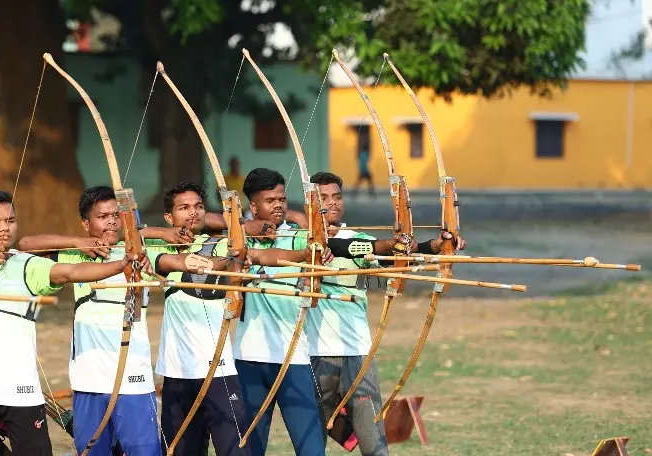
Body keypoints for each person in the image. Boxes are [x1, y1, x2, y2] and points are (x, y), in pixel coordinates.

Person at [0, 189, 148, 456]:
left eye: (10, 221)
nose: (4, 229)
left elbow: (72, 271)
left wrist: (122, 264)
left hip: (22, 392)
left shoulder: (28, 264)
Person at [145, 181, 328, 456]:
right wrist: (227, 261)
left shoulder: (221, 243)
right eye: (184, 208)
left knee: (236, 451)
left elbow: (263, 255)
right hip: (177, 371)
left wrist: (305, 254)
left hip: (219, 372)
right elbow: (168, 258)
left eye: (198, 206)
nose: (193, 213)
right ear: (169, 218)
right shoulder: (157, 248)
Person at [18, 185, 187, 456]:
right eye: (102, 216)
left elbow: (176, 255)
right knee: (92, 450)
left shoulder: (142, 253)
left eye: (116, 215)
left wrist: (146, 250)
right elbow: (25, 245)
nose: (111, 221)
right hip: (89, 378)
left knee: (143, 450)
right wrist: (76, 242)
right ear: (86, 223)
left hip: (133, 376)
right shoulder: (77, 255)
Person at [305, 171, 466, 456]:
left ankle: (358, 439)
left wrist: (437, 246)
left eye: (337, 197)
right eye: (323, 198)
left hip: (357, 351)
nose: (332, 204)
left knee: (374, 442)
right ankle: (349, 439)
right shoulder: (296, 240)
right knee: (312, 435)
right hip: (311, 353)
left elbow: (394, 256)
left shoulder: (358, 239)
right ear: (310, 202)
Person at [231, 168, 332, 456]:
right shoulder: (239, 240)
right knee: (250, 448)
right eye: (269, 200)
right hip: (250, 358)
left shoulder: (299, 237)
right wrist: (240, 226)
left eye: (282, 199)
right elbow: (209, 227)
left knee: (312, 449)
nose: (278, 205)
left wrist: (319, 248)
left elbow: (322, 244)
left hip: (293, 357)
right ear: (253, 207)